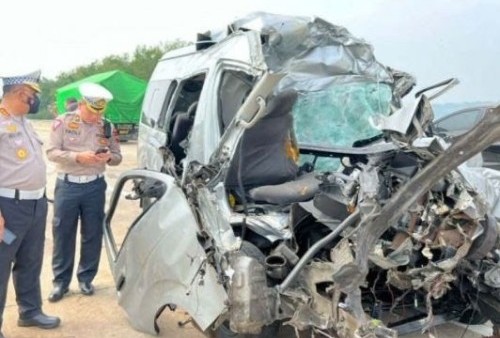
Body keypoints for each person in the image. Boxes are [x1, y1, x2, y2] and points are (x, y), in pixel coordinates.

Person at [47, 82, 122, 302]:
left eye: (99, 113)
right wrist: (78, 157)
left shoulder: (107, 126)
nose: (94, 118)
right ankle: (60, 283)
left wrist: (109, 157)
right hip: (68, 185)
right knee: (63, 234)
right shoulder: (63, 122)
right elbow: (51, 152)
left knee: (92, 234)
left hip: (95, 187)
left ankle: (86, 279)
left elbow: (118, 157)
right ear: (81, 104)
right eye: (91, 112)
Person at [0, 70, 61, 337]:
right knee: (1, 265)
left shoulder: (23, 121)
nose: (34, 100)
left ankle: (29, 310)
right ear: (17, 94)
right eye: (31, 96)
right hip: (8, 207)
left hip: (36, 204)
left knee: (30, 260)